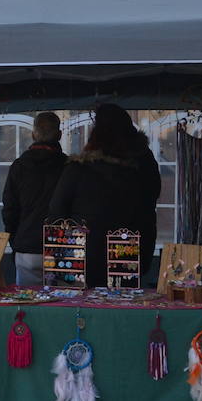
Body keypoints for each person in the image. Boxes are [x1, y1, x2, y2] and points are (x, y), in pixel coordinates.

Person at [48, 104, 161, 287]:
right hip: (126, 255)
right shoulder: (140, 169)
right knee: (122, 310)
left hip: (81, 257)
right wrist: (144, 257)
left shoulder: (77, 170)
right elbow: (147, 215)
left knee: (80, 310)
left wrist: (60, 254)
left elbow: (57, 212)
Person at [1, 112, 68, 286]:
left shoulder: (19, 167)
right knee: (65, 307)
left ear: (33, 135)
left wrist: (15, 241)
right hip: (63, 249)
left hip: (27, 248)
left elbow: (9, 209)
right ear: (59, 135)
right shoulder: (69, 167)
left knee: (29, 308)